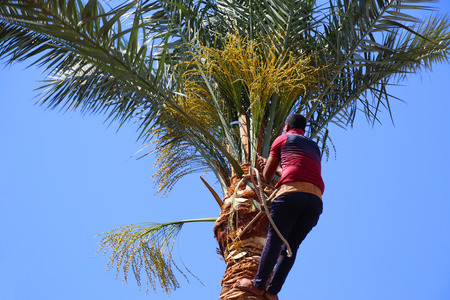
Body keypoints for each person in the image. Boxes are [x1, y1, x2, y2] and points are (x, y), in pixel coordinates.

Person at [235, 114, 324, 300]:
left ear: (286, 126)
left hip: (290, 196)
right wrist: (273, 166)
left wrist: (266, 164)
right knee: (291, 247)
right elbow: (296, 171)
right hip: (315, 201)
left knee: (274, 240)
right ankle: (272, 292)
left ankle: (258, 285)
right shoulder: (314, 147)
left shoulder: (282, 139)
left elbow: (266, 177)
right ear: (304, 129)